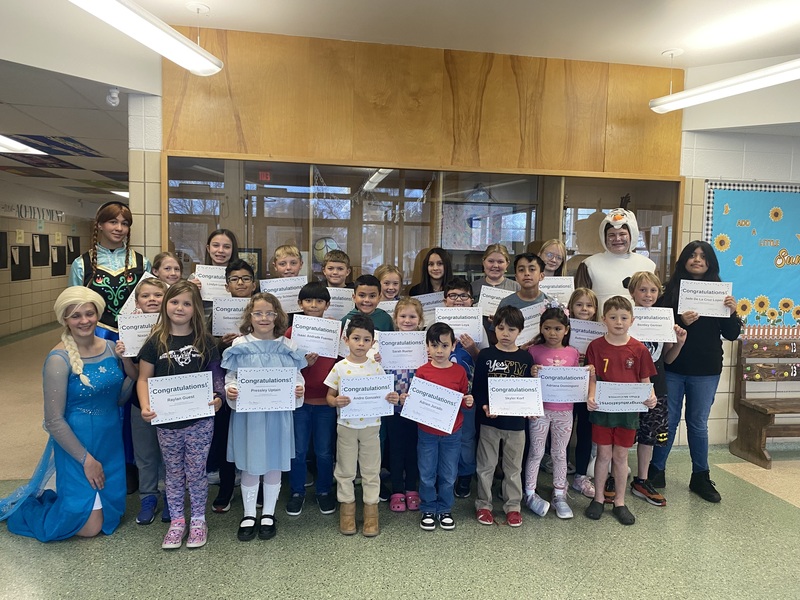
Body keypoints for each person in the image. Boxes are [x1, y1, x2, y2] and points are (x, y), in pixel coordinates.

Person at [0, 288, 135, 541]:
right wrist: (86, 460)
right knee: (89, 528)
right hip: (77, 443)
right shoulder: (58, 359)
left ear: (98, 315)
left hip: (110, 440)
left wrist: (128, 365)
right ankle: (27, 511)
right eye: (75, 316)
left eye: (89, 314)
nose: (84, 321)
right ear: (65, 320)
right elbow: (53, 420)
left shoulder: (110, 348)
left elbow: (119, 399)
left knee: (111, 518)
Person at [650, 241, 742, 503]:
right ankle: (657, 471)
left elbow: (731, 335)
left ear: (711, 262)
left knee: (698, 424)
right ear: (684, 260)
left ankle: (700, 476)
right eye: (692, 255)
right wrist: (680, 322)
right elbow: (656, 328)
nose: (697, 260)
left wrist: (732, 313)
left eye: (703, 256)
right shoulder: (669, 291)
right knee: (666, 420)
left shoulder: (721, 294)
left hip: (706, 368)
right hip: (674, 367)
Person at [137, 281, 225, 549]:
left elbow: (216, 379)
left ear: (196, 308)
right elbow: (143, 379)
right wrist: (144, 406)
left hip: (200, 421)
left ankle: (198, 519)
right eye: (175, 302)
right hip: (167, 422)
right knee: (174, 474)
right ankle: (177, 521)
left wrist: (218, 399)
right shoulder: (155, 341)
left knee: (196, 472)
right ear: (166, 305)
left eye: (187, 303)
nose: (180, 307)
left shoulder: (206, 341)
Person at [222, 293, 307, 542]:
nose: (264, 318)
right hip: (250, 417)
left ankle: (268, 513)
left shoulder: (288, 347)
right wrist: (231, 390)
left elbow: (297, 377)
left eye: (269, 313)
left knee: (273, 462)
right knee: (250, 462)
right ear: (250, 316)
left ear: (277, 316)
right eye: (258, 313)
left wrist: (298, 388)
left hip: (277, 415)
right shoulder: (239, 346)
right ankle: (249, 513)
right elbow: (230, 378)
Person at [584, 296, 657, 525]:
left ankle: (620, 502)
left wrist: (650, 397)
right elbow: (593, 377)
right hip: (603, 410)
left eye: (624, 318)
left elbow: (645, 380)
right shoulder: (595, 346)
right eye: (613, 317)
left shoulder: (639, 349)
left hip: (628, 412)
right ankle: (598, 498)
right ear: (604, 319)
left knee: (621, 455)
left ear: (632, 320)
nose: (618, 322)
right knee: (603, 454)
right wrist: (590, 395)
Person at [325, 315, 399, 537]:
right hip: (346, 426)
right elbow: (329, 396)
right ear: (346, 340)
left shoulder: (376, 367)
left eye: (366, 340)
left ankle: (371, 513)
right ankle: (347, 511)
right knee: (345, 470)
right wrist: (335, 401)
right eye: (356, 338)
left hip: (371, 427)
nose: (360, 344)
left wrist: (392, 397)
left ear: (372, 342)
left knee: (370, 470)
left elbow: (385, 394)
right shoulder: (339, 367)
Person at [526, 306, 594, 520]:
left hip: (564, 412)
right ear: (541, 329)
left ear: (566, 330)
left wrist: (587, 373)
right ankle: (529, 491)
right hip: (540, 411)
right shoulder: (533, 351)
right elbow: (527, 384)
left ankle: (559, 493)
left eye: (557, 328)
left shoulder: (573, 353)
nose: (552, 333)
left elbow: (576, 381)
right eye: (547, 328)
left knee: (559, 453)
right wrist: (532, 372)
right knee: (536, 452)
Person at [626, 271, 686, 508]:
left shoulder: (663, 320)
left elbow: (668, 360)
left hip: (656, 387)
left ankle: (641, 479)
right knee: (620, 434)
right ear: (632, 293)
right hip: (627, 387)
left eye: (652, 290)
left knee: (648, 437)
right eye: (642, 290)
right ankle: (613, 476)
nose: (648, 295)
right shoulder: (624, 318)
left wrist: (679, 343)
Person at [472, 306, 533, 527]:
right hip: (490, 421)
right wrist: (485, 407)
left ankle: (513, 506)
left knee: (513, 468)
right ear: (493, 329)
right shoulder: (486, 356)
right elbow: (477, 387)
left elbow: (529, 391)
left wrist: (531, 408)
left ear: (521, 331)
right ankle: (483, 504)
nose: (505, 333)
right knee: (486, 466)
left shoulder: (526, 358)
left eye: (511, 329)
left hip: (516, 424)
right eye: (501, 328)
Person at [116, 278, 169, 525]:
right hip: (142, 401)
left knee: (172, 454)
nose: (152, 300)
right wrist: (125, 358)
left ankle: (172, 495)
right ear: (137, 302)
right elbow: (137, 376)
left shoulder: (178, 325)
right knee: (146, 453)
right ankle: (148, 496)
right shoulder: (130, 329)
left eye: (158, 295)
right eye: (146, 296)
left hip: (173, 401)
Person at [412, 322, 474, 532]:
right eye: (434, 345)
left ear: (453, 346)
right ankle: (428, 508)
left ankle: (445, 509)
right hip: (427, 432)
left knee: (448, 474)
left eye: (445, 346)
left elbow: (464, 396)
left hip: (452, 432)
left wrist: (468, 401)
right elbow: (417, 401)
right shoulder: (422, 371)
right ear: (427, 346)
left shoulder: (459, 372)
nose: (439, 351)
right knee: (427, 473)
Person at [207, 259, 258, 514]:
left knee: (255, 436)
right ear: (226, 285)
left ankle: (256, 486)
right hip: (226, 383)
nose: (240, 283)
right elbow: (204, 349)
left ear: (254, 283)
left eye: (245, 278)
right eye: (235, 279)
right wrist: (222, 344)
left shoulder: (263, 309)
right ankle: (226, 487)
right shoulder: (215, 313)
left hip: (258, 384)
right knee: (227, 437)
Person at [285, 282, 339, 517]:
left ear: (327, 305)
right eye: (308, 301)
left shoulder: (336, 331)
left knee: (324, 451)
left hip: (326, 403)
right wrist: (302, 362)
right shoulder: (291, 332)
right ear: (300, 304)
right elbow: (283, 366)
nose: (313, 305)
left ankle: (324, 491)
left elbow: (347, 361)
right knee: (297, 451)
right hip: (300, 403)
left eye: (319, 301)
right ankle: (297, 492)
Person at [69, 200, 150, 340]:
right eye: (113, 222)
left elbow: (153, 303)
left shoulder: (142, 263)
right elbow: (72, 307)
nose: (119, 228)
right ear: (100, 225)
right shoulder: (81, 264)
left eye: (124, 224)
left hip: (136, 336)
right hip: (95, 336)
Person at [384, 298, 425, 512]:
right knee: (396, 448)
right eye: (402, 316)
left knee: (413, 448)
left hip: (416, 407)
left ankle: (412, 488)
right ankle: (397, 490)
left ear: (420, 320)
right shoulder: (385, 343)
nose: (407, 320)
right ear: (395, 319)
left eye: (412, 316)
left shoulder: (425, 345)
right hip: (392, 407)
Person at [438, 278, 478, 499]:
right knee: (442, 435)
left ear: (471, 301)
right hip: (441, 394)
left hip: (467, 396)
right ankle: (445, 476)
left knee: (466, 437)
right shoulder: (436, 327)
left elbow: (485, 362)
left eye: (464, 296)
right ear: (445, 301)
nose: (458, 300)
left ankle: (464, 475)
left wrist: (473, 349)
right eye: (453, 295)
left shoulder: (477, 326)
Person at [574, 208, 656, 311]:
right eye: (611, 235)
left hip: (640, 326)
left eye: (622, 234)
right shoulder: (589, 265)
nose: (617, 239)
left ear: (631, 236)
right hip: (599, 325)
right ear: (604, 237)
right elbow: (578, 303)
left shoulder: (648, 265)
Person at [565, 287, 600, 499]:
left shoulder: (601, 330)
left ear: (595, 309)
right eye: (579, 304)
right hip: (565, 387)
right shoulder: (563, 329)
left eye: (589, 305)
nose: (584, 309)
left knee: (586, 432)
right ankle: (559, 470)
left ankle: (580, 476)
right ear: (570, 308)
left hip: (589, 387)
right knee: (563, 431)